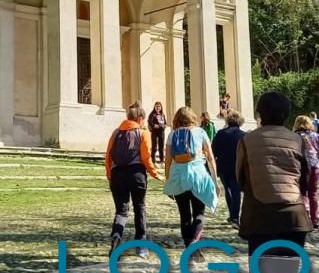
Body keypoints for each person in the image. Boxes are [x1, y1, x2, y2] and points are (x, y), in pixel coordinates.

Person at [237, 92, 311, 273]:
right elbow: (305, 180)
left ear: (260, 113)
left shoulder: (247, 141)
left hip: (260, 218)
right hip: (293, 218)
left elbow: (240, 178)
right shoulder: (298, 140)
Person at [105, 101, 163, 257]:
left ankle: (116, 236)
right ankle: (141, 246)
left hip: (117, 174)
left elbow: (108, 156)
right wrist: (155, 174)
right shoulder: (143, 133)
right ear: (141, 118)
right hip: (137, 174)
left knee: (121, 211)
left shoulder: (116, 133)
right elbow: (146, 157)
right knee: (140, 208)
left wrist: (110, 176)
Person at [163, 106, 220, 259]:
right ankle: (194, 243)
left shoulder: (172, 135)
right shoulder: (200, 132)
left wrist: (168, 181)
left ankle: (189, 247)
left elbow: (167, 161)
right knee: (199, 213)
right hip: (198, 176)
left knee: (184, 215)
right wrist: (215, 181)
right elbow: (211, 158)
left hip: (179, 177)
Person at [211, 109, 245, 227]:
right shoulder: (244, 135)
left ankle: (232, 214)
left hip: (224, 166)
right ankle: (235, 215)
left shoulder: (221, 134)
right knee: (236, 190)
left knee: (228, 189)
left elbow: (213, 150)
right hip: (238, 165)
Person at [293, 115, 319, 229]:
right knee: (313, 194)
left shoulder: (294, 136)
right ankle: (315, 220)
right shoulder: (316, 136)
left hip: (300, 167)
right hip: (315, 166)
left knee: (301, 193)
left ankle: (304, 218)